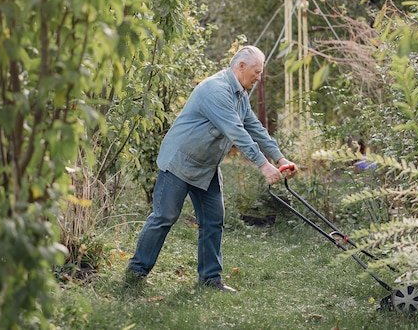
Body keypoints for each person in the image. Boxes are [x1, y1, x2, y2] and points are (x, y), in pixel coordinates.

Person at [125, 45, 298, 292]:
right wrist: (263, 165)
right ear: (240, 66)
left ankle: (210, 279)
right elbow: (236, 132)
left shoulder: (240, 94)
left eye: (261, 72)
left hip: (206, 166)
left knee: (213, 220)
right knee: (164, 216)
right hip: (180, 161)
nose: (259, 77)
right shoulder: (216, 90)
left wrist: (280, 159)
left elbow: (254, 127)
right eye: (257, 71)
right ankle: (136, 272)